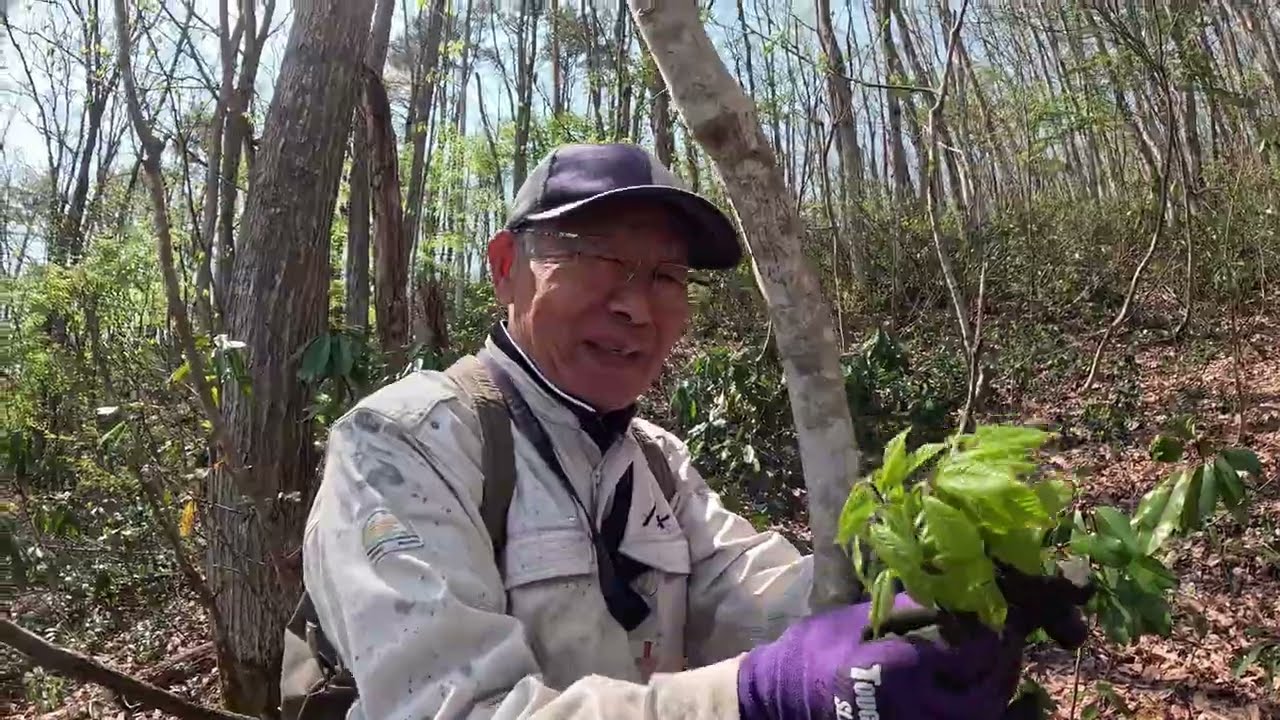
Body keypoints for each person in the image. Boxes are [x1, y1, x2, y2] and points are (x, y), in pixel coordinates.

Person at [294, 142, 1089, 720]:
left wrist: (941, 592)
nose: (637, 307)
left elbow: (765, 593)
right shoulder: (406, 446)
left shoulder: (652, 463)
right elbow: (453, 711)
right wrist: (756, 696)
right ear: (507, 266)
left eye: (667, 277)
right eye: (598, 259)